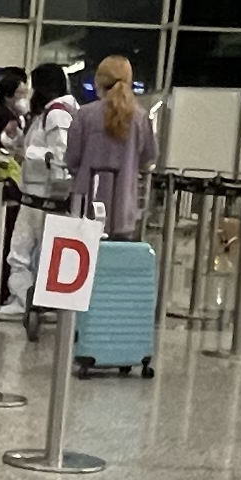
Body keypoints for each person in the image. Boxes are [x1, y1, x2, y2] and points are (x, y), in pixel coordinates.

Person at [64, 52, 158, 377]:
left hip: (87, 203)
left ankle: (85, 339)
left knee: (84, 274)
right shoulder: (142, 118)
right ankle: (117, 341)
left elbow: (72, 158)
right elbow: (148, 159)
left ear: (97, 82)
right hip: (124, 208)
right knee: (117, 275)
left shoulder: (84, 116)